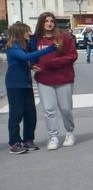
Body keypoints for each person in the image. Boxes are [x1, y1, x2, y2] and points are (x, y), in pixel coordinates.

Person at [5, 23, 58, 154]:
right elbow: (25, 57)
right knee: (16, 114)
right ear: (19, 33)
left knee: (30, 113)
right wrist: (50, 49)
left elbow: (22, 61)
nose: (29, 33)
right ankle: (15, 142)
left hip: (26, 83)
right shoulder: (13, 47)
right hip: (15, 85)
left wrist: (30, 67)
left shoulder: (22, 46)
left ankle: (28, 140)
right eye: (27, 31)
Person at [32, 12, 79, 150]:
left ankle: (69, 132)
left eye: (51, 20)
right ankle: (53, 136)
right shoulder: (36, 39)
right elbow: (30, 56)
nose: (49, 23)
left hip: (64, 78)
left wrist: (52, 63)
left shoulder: (64, 37)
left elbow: (72, 55)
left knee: (65, 108)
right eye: (46, 21)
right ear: (41, 23)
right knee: (49, 109)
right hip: (44, 79)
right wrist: (31, 65)